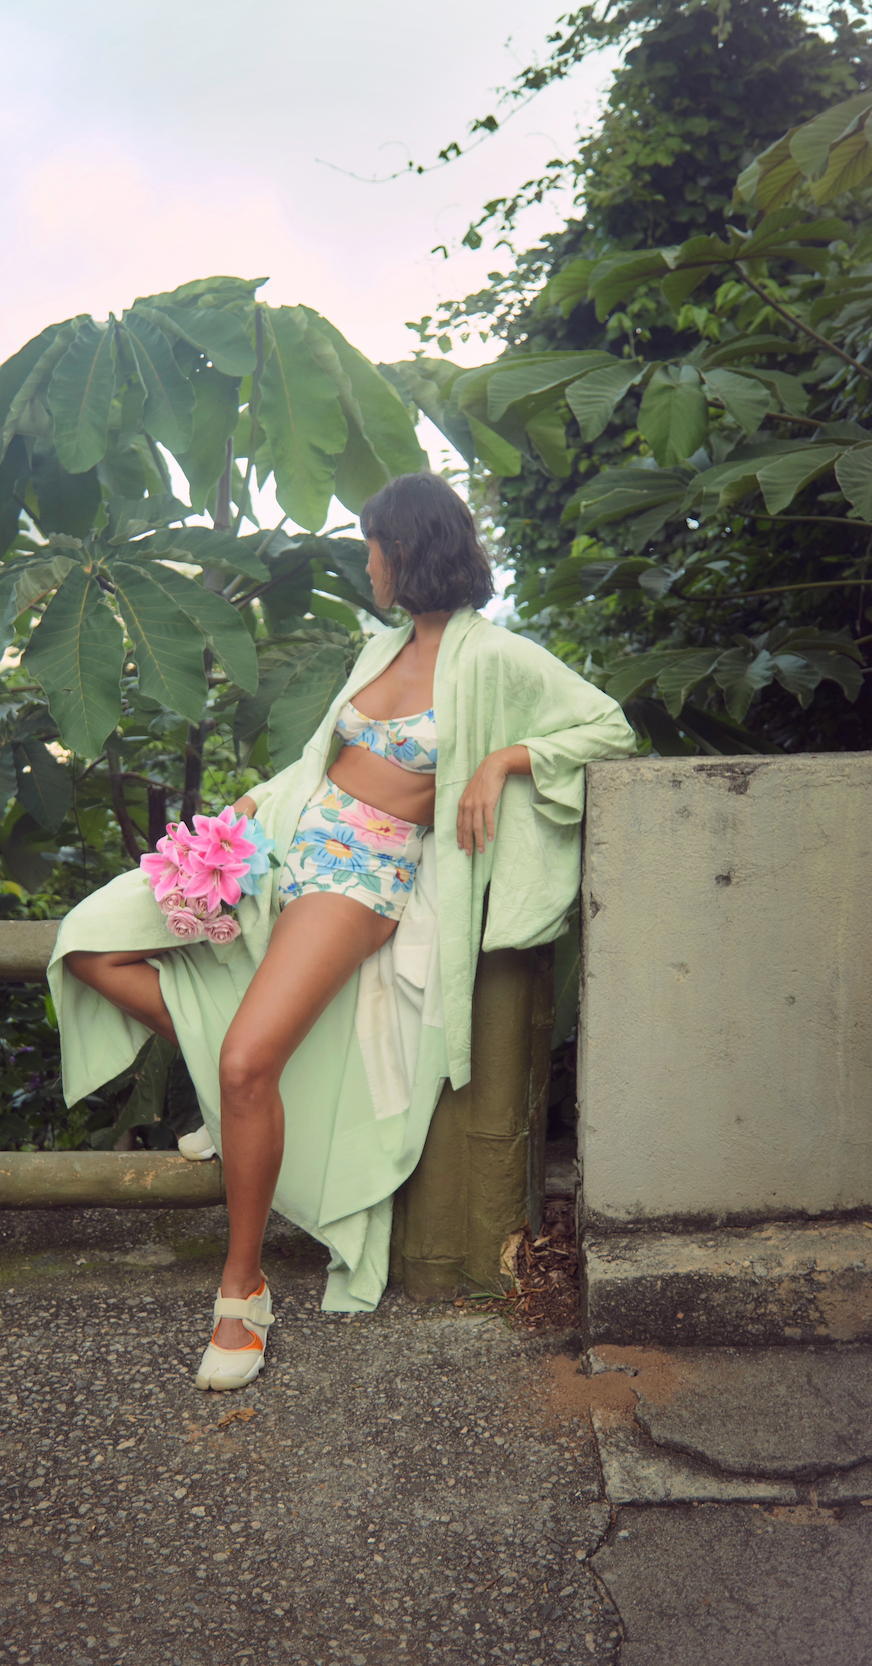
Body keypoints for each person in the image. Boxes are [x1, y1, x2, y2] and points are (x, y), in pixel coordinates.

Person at [48, 471, 636, 1391]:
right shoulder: (381, 647)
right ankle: (230, 1093)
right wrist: (241, 815)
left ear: (408, 549)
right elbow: (320, 758)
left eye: (372, 547)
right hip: (280, 843)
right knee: (91, 943)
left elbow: (609, 728)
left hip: (360, 875)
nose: (366, 564)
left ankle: (243, 1293)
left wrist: (504, 762)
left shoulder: (496, 658)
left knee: (249, 1062)